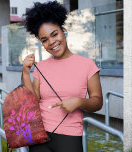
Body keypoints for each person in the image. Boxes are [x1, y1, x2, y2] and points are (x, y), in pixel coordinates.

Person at [23, 1, 103, 152]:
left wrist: (79, 102)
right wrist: (26, 73)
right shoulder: (40, 67)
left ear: (64, 31)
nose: (52, 42)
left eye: (54, 34)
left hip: (69, 136)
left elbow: (97, 102)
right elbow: (33, 102)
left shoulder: (87, 65)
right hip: (39, 135)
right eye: (45, 40)